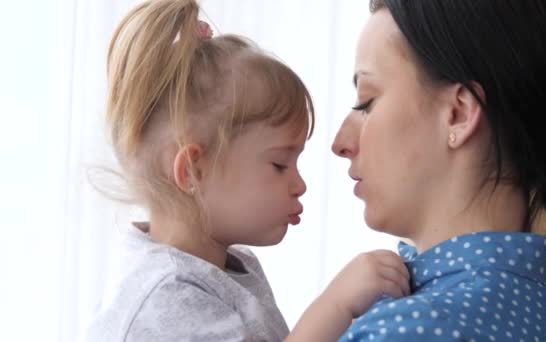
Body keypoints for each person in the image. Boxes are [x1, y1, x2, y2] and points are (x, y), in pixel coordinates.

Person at [88, 0, 409, 341]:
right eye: (279, 164)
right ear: (193, 171)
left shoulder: (228, 267)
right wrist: (337, 304)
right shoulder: (165, 296)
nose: (299, 184)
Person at [331, 0, 546, 341]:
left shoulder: (403, 331)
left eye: (367, 103)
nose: (340, 142)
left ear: (458, 113)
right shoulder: (544, 310)